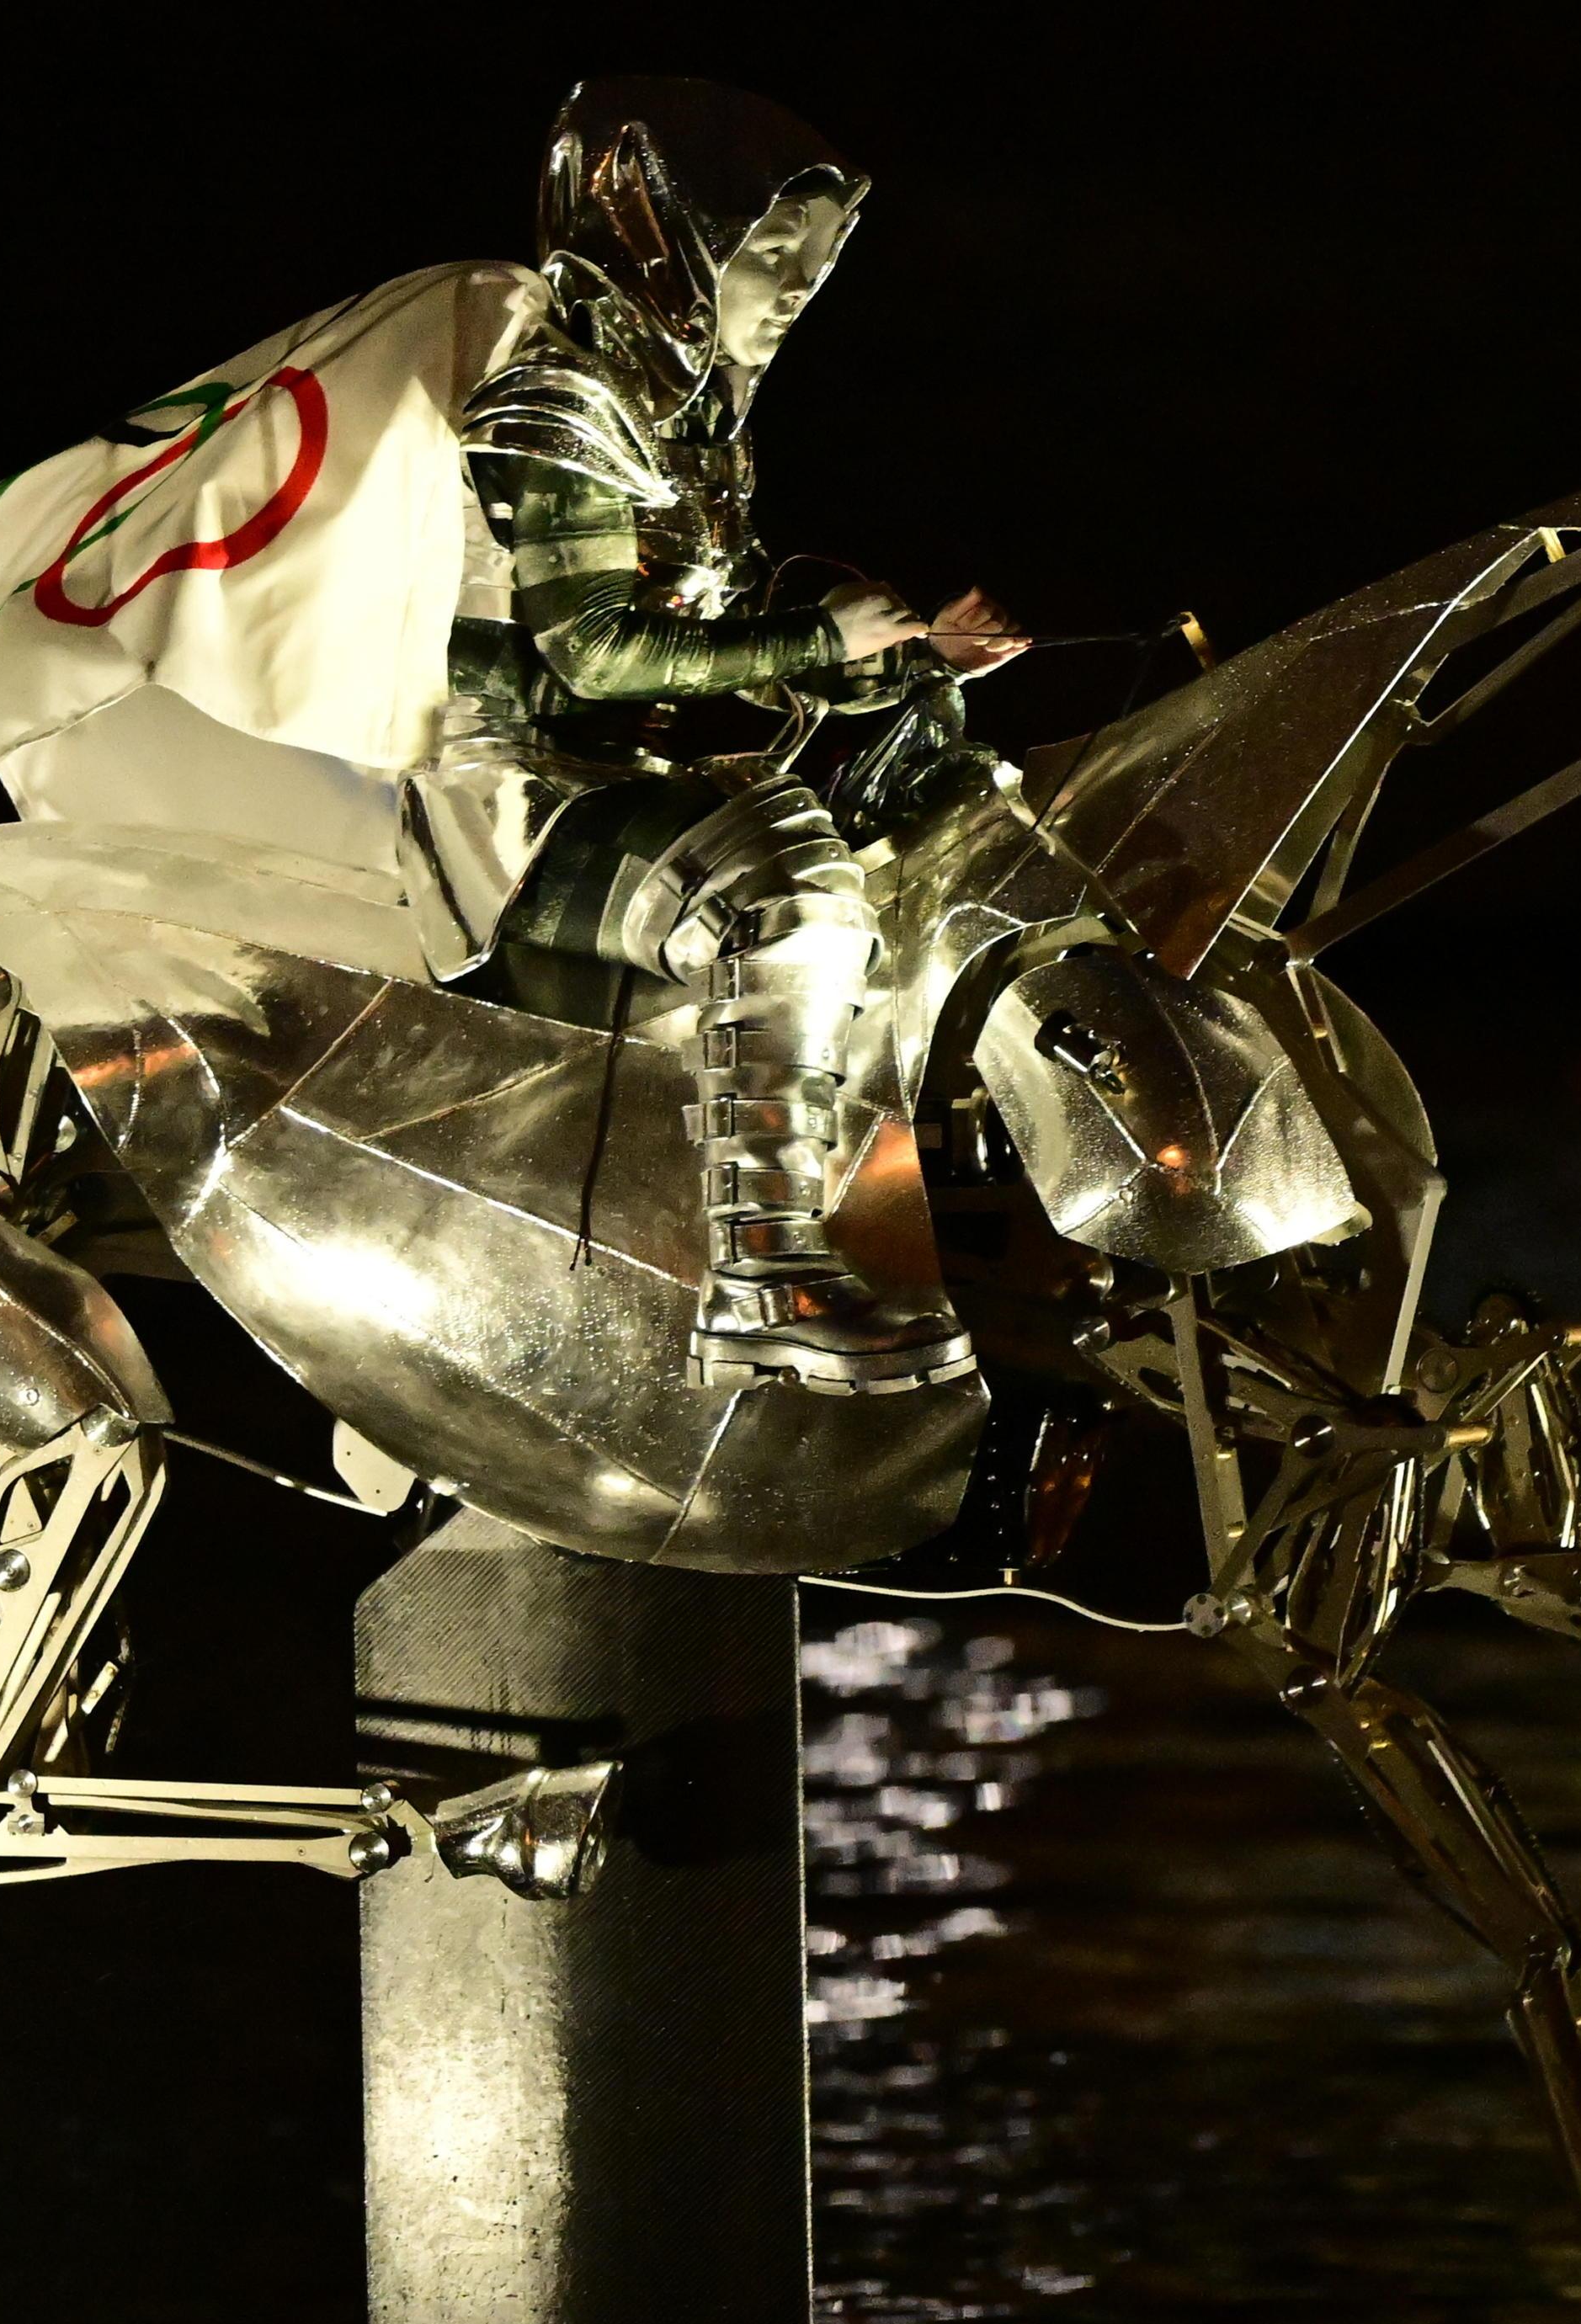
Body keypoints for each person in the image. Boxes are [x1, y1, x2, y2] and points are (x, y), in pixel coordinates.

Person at [412, 78, 1021, 1396]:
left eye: (814, 258)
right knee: (785, 874)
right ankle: (766, 1273)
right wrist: (822, 643)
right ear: (667, 243)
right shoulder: (561, 406)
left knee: (928, 769)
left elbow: (717, 623)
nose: (797, 283)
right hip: (513, 801)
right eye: (767, 249)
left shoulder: (695, 418)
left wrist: (900, 663)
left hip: (636, 763)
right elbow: (596, 654)